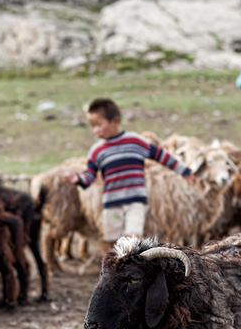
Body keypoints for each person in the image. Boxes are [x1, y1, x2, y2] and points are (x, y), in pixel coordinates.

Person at [66, 98, 193, 246]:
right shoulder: (96, 151)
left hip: (135, 202)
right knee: (113, 242)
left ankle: (135, 261)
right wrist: (79, 179)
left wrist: (184, 171)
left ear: (115, 121)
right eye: (92, 126)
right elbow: (90, 174)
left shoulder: (135, 141)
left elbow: (161, 156)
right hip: (111, 203)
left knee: (133, 239)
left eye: (99, 125)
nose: (95, 130)